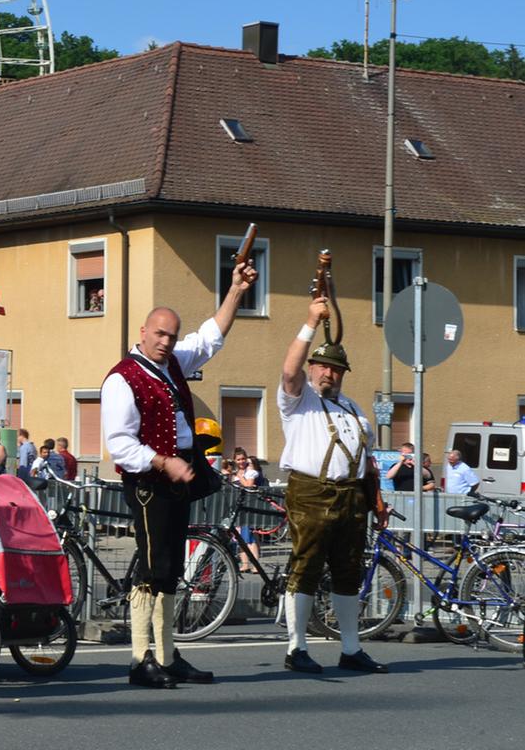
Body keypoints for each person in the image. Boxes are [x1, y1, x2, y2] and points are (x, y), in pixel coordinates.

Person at [101, 255, 256, 689]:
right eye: (160, 334)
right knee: (152, 569)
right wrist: (164, 461)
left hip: (177, 479)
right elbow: (121, 445)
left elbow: (209, 339)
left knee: (170, 571)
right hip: (150, 483)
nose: (167, 342)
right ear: (143, 333)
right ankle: (139, 659)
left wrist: (236, 291)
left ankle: (167, 654)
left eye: (171, 335)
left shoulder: (169, 364)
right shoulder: (122, 379)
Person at [277, 296, 389, 675]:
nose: (329, 374)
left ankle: (351, 648)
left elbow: (368, 462)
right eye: (323, 367)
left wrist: (377, 501)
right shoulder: (299, 401)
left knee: (348, 569)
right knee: (305, 566)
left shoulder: (356, 409)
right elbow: (289, 371)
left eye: (336, 369)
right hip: (310, 491)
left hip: (351, 495)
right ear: (313, 368)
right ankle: (297, 647)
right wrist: (310, 322)